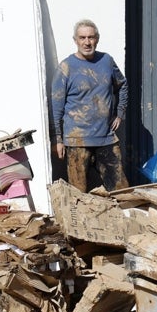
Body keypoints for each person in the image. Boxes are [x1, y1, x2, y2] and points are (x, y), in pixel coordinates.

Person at [51, 19, 129, 192]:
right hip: (77, 141)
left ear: (97, 39)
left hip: (106, 138)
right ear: (75, 40)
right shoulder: (66, 67)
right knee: (79, 194)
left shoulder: (107, 61)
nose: (87, 42)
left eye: (91, 37)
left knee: (121, 192)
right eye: (82, 38)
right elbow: (57, 106)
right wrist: (58, 139)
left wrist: (120, 113)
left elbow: (122, 85)